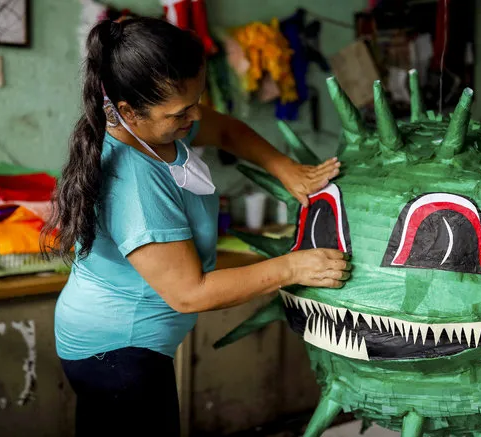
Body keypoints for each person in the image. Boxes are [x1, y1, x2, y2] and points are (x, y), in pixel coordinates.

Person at [43, 17, 351, 437]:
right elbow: (190, 293)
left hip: (110, 344)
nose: (194, 116)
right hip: (116, 353)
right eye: (180, 112)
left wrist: (285, 168)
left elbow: (224, 129)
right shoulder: (134, 181)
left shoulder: (152, 130)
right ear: (129, 111)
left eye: (196, 100)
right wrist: (293, 268)